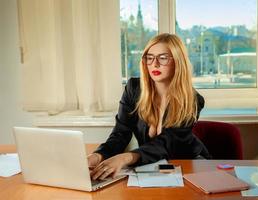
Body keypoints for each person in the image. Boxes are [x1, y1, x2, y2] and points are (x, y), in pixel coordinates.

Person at [88, 33, 211, 180]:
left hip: (188, 164)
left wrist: (125, 158)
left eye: (163, 58)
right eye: (150, 57)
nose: (155, 64)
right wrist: (97, 156)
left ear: (178, 61)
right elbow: (120, 134)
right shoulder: (133, 89)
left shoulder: (192, 100)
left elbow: (166, 144)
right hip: (153, 164)